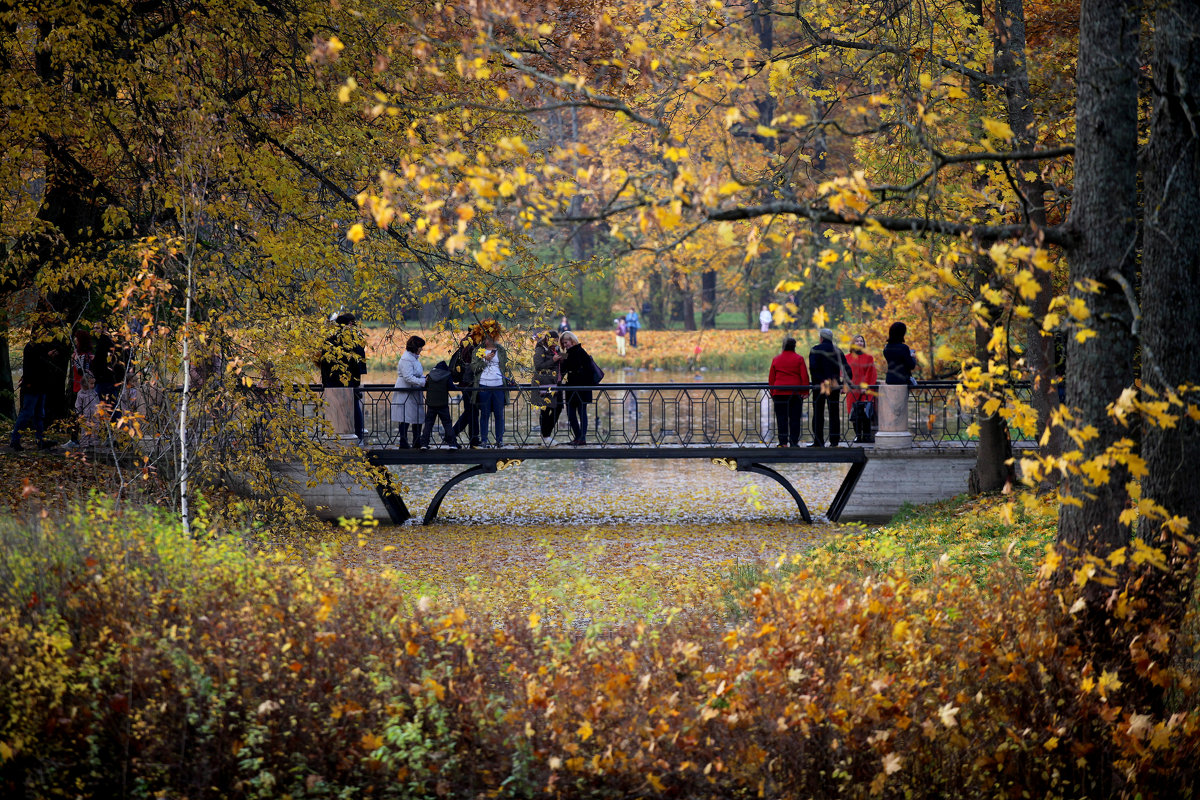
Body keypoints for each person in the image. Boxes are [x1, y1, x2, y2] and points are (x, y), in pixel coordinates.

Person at [10, 320, 60, 450]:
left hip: (40, 386)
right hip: (32, 386)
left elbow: (42, 365)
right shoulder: (31, 347)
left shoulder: (40, 347)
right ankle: (15, 439)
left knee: (39, 414)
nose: (45, 334)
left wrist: (49, 356)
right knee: (27, 413)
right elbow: (33, 367)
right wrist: (47, 356)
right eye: (42, 332)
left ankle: (40, 440)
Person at [318, 312, 368, 440]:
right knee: (354, 409)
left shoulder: (329, 340)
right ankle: (358, 437)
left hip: (331, 382)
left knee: (332, 409)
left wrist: (325, 381)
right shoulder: (354, 341)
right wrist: (356, 381)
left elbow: (324, 363)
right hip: (349, 382)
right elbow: (358, 363)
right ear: (350, 324)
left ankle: (330, 436)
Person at [808, 328, 852, 447]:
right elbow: (847, 369)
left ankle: (818, 441)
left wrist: (821, 381)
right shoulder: (837, 351)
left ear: (821, 338)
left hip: (819, 386)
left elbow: (813, 368)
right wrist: (845, 383)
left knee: (818, 413)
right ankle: (834, 441)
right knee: (834, 413)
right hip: (834, 385)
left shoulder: (815, 350)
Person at [768, 338, 810, 447]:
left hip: (779, 392)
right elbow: (804, 376)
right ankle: (794, 442)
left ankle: (783, 442)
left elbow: (771, 378)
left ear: (783, 346)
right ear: (794, 346)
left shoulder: (776, 359)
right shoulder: (799, 359)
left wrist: (772, 392)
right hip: (795, 392)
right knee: (795, 418)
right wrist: (805, 391)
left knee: (781, 418)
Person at [472, 334, 510, 448]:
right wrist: (485, 360)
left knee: (499, 414)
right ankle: (484, 440)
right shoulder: (478, 350)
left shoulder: (501, 350)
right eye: (487, 338)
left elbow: (506, 366)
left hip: (499, 385)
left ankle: (499, 440)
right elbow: (473, 368)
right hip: (484, 385)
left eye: (492, 338)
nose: (489, 340)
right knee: (484, 414)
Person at [559, 331, 594, 446]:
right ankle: (578, 436)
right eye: (563, 344)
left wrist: (561, 356)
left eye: (566, 342)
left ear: (572, 340)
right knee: (571, 413)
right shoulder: (569, 353)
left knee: (581, 411)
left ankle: (582, 438)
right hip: (571, 387)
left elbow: (574, 363)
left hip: (581, 387)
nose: (565, 345)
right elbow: (565, 366)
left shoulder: (580, 351)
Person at [391, 335, 426, 448]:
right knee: (405, 417)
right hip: (405, 391)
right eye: (420, 347)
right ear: (415, 347)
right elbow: (408, 377)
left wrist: (425, 378)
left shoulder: (414, 358)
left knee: (417, 416)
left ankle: (417, 441)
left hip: (414, 392)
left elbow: (417, 374)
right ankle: (404, 441)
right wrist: (422, 382)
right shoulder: (406, 359)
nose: (421, 349)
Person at [418, 360, 459, 449]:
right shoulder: (447, 375)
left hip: (431, 403)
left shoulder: (430, 375)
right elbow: (451, 387)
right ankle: (452, 444)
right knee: (447, 423)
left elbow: (425, 385)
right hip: (442, 404)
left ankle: (424, 444)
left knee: (428, 423)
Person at [845, 334, 879, 444]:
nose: (860, 343)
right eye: (857, 341)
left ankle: (867, 436)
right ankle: (858, 436)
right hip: (852, 390)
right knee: (854, 413)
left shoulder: (868, 357)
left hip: (865, 390)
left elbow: (871, 373)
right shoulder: (847, 357)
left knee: (865, 413)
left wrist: (866, 386)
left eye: (861, 341)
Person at [449, 336, 480, 447]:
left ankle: (473, 438)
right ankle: (471, 438)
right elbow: (471, 366)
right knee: (471, 411)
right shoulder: (471, 345)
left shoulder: (465, 343)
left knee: (471, 411)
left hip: (465, 384)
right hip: (469, 384)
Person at [533, 330, 564, 445]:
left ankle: (546, 435)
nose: (556, 343)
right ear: (547, 339)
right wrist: (553, 360)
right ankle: (545, 436)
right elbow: (538, 366)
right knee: (546, 410)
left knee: (559, 407)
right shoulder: (540, 349)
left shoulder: (556, 349)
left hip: (557, 382)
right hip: (546, 382)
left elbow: (561, 359)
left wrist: (564, 357)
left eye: (557, 341)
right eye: (554, 341)